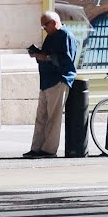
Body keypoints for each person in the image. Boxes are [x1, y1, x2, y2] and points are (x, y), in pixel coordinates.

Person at [25, 10, 76, 158]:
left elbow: (66, 60)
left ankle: (49, 149)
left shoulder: (65, 35)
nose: (44, 28)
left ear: (54, 22)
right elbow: (48, 55)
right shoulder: (51, 36)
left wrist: (44, 57)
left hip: (58, 80)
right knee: (41, 116)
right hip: (46, 81)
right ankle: (36, 148)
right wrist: (37, 54)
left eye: (45, 25)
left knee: (53, 117)